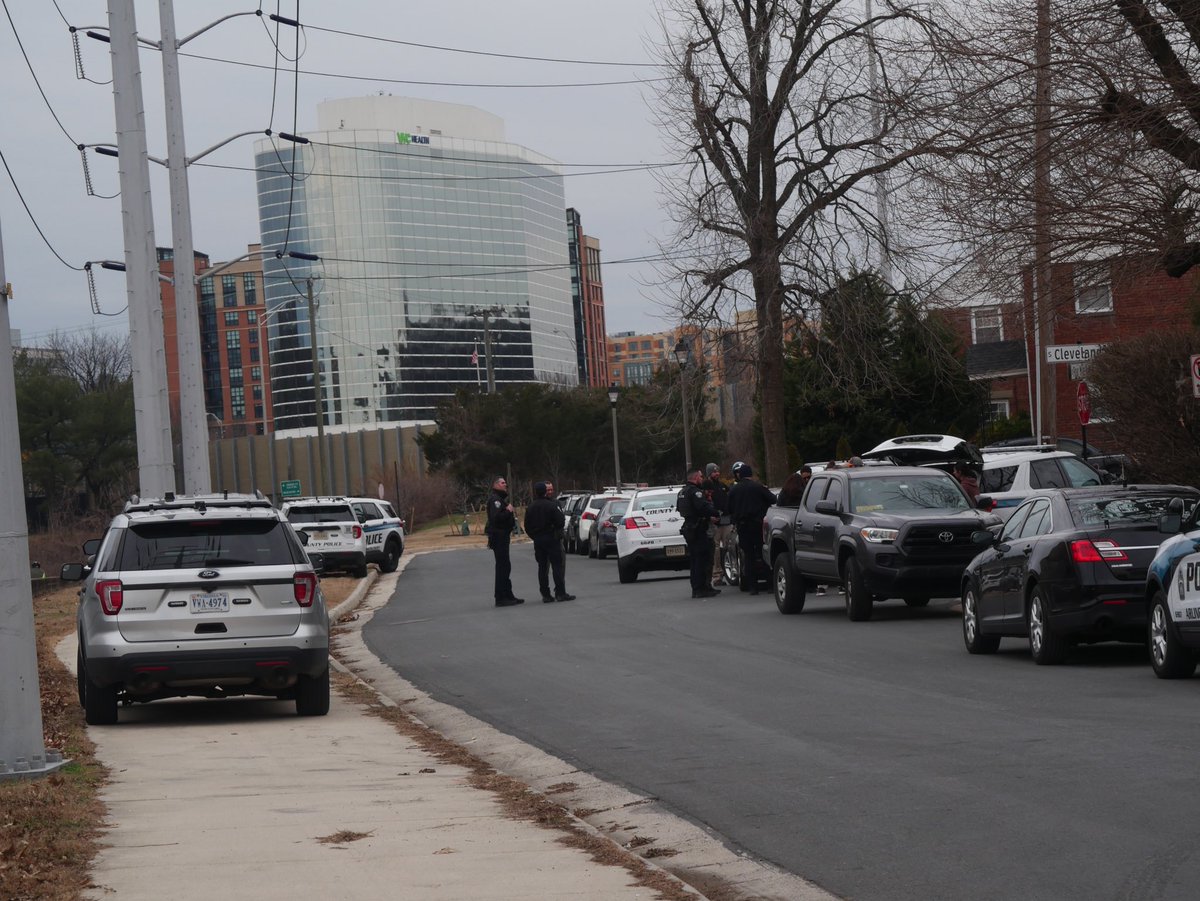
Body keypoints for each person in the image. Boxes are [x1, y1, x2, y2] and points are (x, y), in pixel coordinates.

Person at [727, 463, 777, 595]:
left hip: (743, 526)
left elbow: (728, 508)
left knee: (748, 557)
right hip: (757, 525)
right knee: (762, 553)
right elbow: (773, 499)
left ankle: (753, 587)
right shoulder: (757, 487)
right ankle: (770, 585)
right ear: (750, 475)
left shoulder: (734, 490)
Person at [523, 481, 575, 602]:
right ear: (545, 491)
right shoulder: (552, 505)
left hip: (538, 540)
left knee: (542, 567)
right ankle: (560, 593)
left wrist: (534, 536)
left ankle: (545, 594)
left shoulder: (530, 507)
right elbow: (560, 521)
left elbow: (527, 526)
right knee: (557, 566)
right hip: (552, 539)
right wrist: (555, 532)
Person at [677, 468, 721, 598]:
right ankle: (700, 588)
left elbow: (680, 509)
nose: (702, 479)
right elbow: (703, 507)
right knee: (702, 559)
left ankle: (697, 587)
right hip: (698, 528)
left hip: (689, 527)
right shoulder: (695, 492)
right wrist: (715, 512)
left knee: (695, 559)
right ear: (696, 478)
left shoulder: (682, 492)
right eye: (701, 477)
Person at [485, 476, 524, 607]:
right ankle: (501, 597)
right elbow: (496, 518)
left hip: (503, 537)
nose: (505, 485)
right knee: (502, 566)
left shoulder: (501, 499)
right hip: (498, 537)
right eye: (502, 483)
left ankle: (508, 594)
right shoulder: (495, 500)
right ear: (496, 485)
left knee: (506, 566)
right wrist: (508, 511)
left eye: (505, 483)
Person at [704, 463, 732, 587]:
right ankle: (717, 576)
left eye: (717, 471)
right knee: (715, 550)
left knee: (729, 548)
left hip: (726, 521)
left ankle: (731, 572)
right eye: (714, 472)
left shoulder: (722, 486)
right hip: (714, 523)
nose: (717, 474)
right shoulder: (706, 487)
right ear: (709, 473)